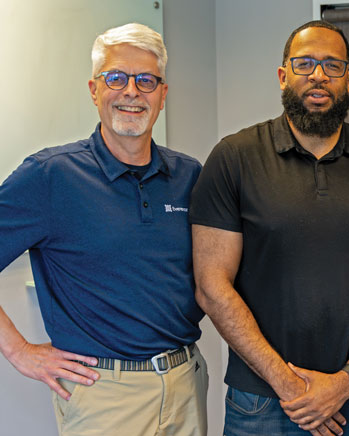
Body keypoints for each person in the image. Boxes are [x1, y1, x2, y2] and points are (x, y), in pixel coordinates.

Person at [189, 20, 349, 436]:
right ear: (284, 75)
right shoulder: (233, 160)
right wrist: (291, 385)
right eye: (305, 63)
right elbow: (212, 285)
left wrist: (345, 381)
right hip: (261, 399)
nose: (318, 75)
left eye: (332, 66)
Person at [0, 23, 208, 435]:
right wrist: (18, 350)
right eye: (116, 77)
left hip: (185, 382)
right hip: (104, 395)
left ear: (162, 96)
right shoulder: (49, 177)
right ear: (95, 90)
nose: (132, 91)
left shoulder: (189, 175)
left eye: (146, 81)